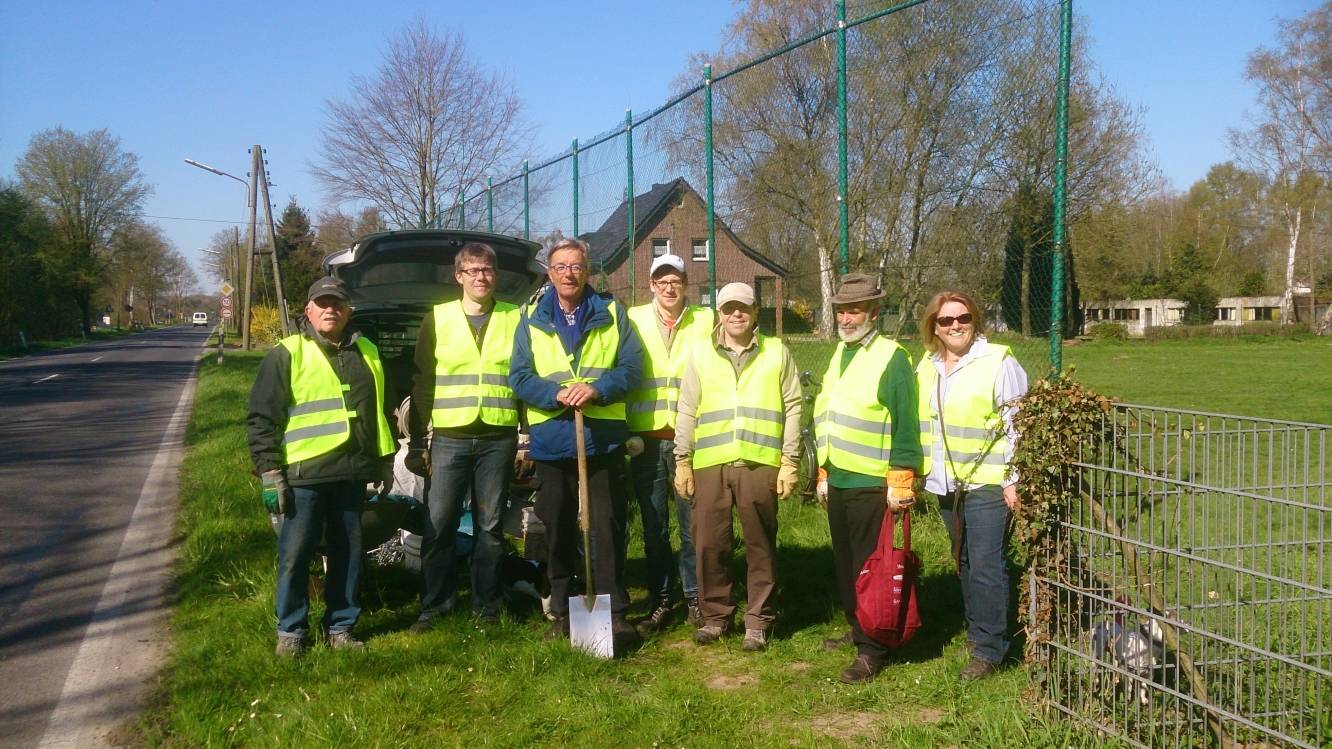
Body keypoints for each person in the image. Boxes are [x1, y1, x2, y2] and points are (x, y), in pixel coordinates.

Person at [246, 276, 395, 656]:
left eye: (338, 304)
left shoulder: (368, 352)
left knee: (348, 554)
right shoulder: (288, 353)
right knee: (296, 555)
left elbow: (379, 413)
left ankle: (341, 627)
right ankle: (292, 631)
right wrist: (269, 471)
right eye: (322, 304)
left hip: (351, 473)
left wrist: (383, 462)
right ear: (308, 311)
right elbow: (262, 418)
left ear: (349, 311)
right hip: (303, 475)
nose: (331, 309)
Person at [509, 238, 644, 646]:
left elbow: (632, 368)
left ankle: (614, 611)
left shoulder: (612, 313)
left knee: (606, 525)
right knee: (558, 525)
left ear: (588, 270)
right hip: (553, 439)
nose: (569, 273)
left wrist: (598, 390)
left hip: (600, 438)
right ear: (549, 273)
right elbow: (519, 376)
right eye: (560, 266)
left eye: (576, 265)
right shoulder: (531, 318)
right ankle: (563, 610)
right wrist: (554, 396)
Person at [673, 282, 801, 652]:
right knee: (710, 542)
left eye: (743, 308)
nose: (736, 314)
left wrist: (789, 460)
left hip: (760, 462)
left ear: (755, 311)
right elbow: (686, 408)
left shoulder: (776, 352)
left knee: (761, 543)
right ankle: (715, 616)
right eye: (728, 308)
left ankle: (758, 620)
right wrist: (683, 459)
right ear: (719, 313)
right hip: (710, 463)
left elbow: (793, 405)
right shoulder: (700, 354)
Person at [812, 272, 923, 684]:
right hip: (839, 478)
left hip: (872, 483)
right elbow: (829, 414)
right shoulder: (841, 352)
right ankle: (858, 625)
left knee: (869, 566)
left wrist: (901, 481)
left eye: (855, 309)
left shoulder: (892, 357)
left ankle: (872, 649)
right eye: (842, 309)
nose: (846, 317)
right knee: (845, 562)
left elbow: (906, 424)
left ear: (874, 312)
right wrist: (824, 471)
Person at [403, 243, 521, 630]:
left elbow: (524, 378)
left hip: (498, 436)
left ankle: (486, 605)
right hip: (450, 437)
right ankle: (436, 604)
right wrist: (419, 441)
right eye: (472, 271)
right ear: (459, 276)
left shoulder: (514, 317)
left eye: (486, 270)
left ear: (495, 275)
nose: (480, 277)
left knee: (490, 528)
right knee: (439, 524)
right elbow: (422, 381)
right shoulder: (437, 319)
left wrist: (526, 435)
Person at [916, 289, 1028, 681]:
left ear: (974, 320)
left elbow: (1018, 425)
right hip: (947, 482)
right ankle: (977, 630)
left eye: (962, 318)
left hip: (988, 483)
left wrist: (1014, 479)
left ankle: (990, 650)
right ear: (934, 326)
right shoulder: (927, 366)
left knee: (985, 564)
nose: (955, 326)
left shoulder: (998, 361)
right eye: (945, 320)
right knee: (962, 559)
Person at [624, 254, 715, 635]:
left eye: (675, 279)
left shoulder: (706, 321)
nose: (668, 287)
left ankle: (696, 598)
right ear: (651, 285)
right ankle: (663, 599)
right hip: (644, 441)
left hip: (689, 442)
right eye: (661, 280)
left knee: (693, 524)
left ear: (686, 283)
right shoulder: (632, 319)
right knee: (654, 526)